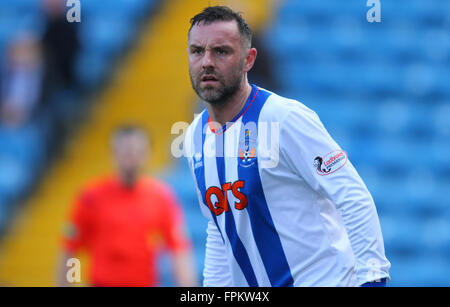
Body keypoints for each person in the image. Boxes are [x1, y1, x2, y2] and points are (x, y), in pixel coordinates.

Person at [184, 6, 390, 287]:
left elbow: (352, 195)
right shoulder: (194, 136)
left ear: (248, 59)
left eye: (221, 51)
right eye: (197, 51)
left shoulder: (285, 118)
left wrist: (372, 277)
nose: (207, 61)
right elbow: (221, 227)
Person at [61, 125, 198, 287]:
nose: (130, 156)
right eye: (125, 151)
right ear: (113, 154)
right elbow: (70, 251)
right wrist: (68, 283)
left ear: (147, 154)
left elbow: (179, 250)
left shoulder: (161, 197)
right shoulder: (91, 197)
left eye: (136, 151)